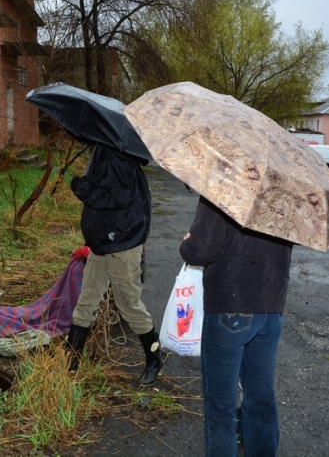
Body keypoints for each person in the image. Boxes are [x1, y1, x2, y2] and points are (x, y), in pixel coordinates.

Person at [179, 196, 293, 457]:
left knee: (221, 404)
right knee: (260, 396)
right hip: (271, 308)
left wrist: (187, 243)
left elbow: (202, 249)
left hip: (230, 306)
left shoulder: (224, 185)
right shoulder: (284, 192)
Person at [65, 145, 163, 387]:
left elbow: (115, 197)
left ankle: (154, 359)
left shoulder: (116, 153)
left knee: (129, 304)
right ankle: (70, 360)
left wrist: (80, 186)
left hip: (121, 242)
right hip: (103, 241)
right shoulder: (105, 149)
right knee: (87, 300)